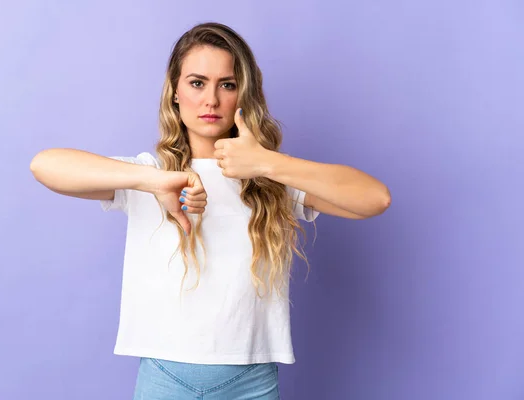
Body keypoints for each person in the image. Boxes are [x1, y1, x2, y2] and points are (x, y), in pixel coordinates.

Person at [30, 22, 391, 400]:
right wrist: (153, 181)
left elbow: (374, 198)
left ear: (243, 96)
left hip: (251, 382)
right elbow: (45, 165)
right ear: (174, 92)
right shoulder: (147, 176)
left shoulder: (270, 177)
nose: (211, 100)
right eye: (197, 83)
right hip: (165, 377)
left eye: (228, 84)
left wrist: (268, 163)